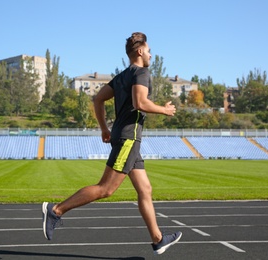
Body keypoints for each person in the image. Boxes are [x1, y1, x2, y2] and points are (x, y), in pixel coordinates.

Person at [42, 32, 182, 255]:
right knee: (105, 189)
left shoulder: (121, 76)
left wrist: (104, 128)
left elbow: (98, 99)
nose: (151, 54)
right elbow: (140, 102)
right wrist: (164, 110)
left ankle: (158, 239)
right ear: (140, 51)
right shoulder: (141, 73)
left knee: (145, 189)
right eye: (149, 50)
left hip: (122, 134)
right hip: (128, 137)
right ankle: (56, 210)